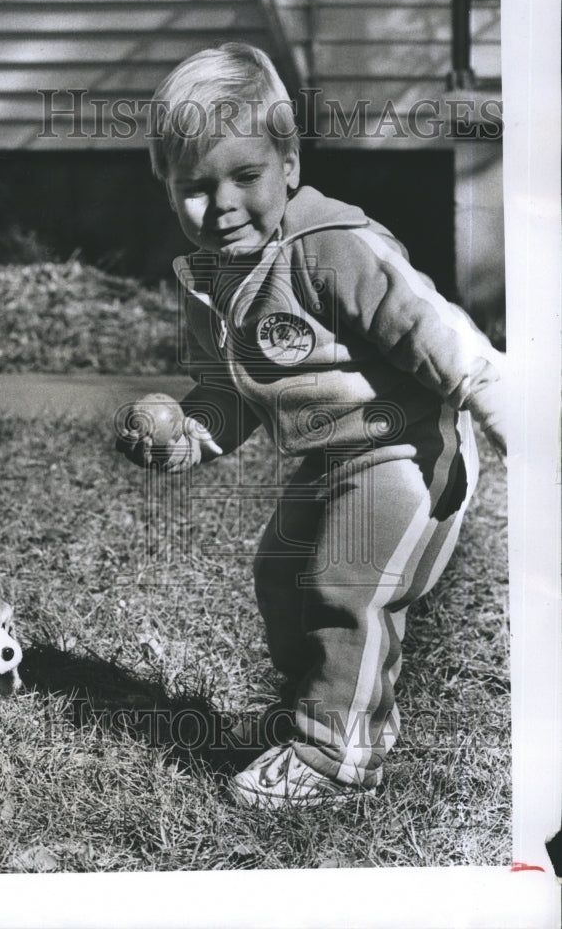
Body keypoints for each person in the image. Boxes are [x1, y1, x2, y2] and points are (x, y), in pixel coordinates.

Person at [116, 42, 506, 808]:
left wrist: (500, 404)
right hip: (326, 462)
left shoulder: (329, 248)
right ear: (166, 192)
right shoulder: (210, 279)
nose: (221, 204)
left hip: (405, 449)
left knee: (344, 585)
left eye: (245, 176)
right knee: (283, 578)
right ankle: (321, 716)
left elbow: (428, 325)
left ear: (288, 163)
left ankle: (334, 758)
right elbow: (225, 391)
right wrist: (191, 434)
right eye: (194, 187)